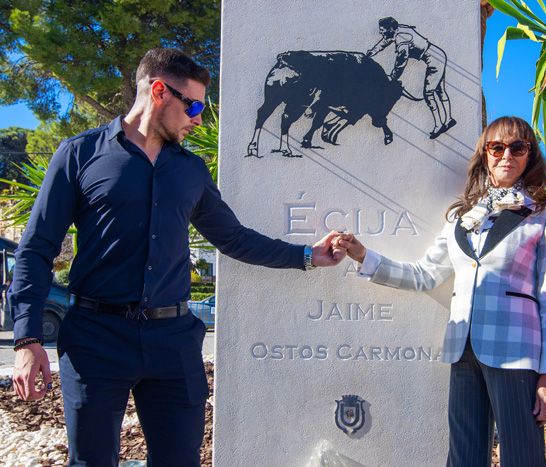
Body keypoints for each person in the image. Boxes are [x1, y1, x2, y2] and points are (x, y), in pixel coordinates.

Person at [10, 48, 346, 466]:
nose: (199, 119)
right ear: (158, 91)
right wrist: (26, 338)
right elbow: (37, 248)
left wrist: (307, 255)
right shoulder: (79, 155)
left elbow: (234, 238)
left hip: (173, 343)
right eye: (194, 105)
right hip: (95, 339)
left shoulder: (190, 171)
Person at [334, 116, 546, 466]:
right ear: (485, 154)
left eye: (518, 148)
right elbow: (424, 274)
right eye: (497, 147)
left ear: (530, 156)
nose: (507, 156)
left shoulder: (545, 214)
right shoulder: (464, 218)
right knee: (463, 457)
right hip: (463, 350)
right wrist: (365, 257)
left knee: (523, 457)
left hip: (516, 352)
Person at [366, 16, 456, 139]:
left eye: (382, 30)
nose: (380, 32)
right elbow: (384, 42)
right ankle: (448, 119)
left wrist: (392, 77)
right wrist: (372, 52)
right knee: (440, 90)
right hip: (438, 56)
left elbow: (401, 61)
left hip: (434, 60)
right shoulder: (397, 31)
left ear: (391, 28)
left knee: (429, 93)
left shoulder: (402, 37)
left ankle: (439, 125)